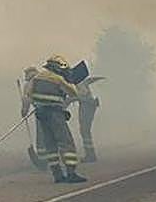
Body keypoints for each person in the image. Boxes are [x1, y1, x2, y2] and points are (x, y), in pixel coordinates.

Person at [22, 55, 87, 183]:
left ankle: (57, 175)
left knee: (50, 144)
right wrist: (69, 84)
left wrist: (24, 111)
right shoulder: (57, 79)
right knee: (66, 142)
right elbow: (74, 93)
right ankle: (71, 173)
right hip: (55, 115)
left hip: (41, 116)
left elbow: (27, 98)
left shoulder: (35, 79)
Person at [76, 76, 102, 163]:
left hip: (87, 106)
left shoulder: (79, 85)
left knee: (85, 130)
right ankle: (90, 154)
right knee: (85, 130)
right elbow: (89, 80)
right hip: (88, 105)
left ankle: (90, 155)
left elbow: (76, 96)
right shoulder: (80, 83)